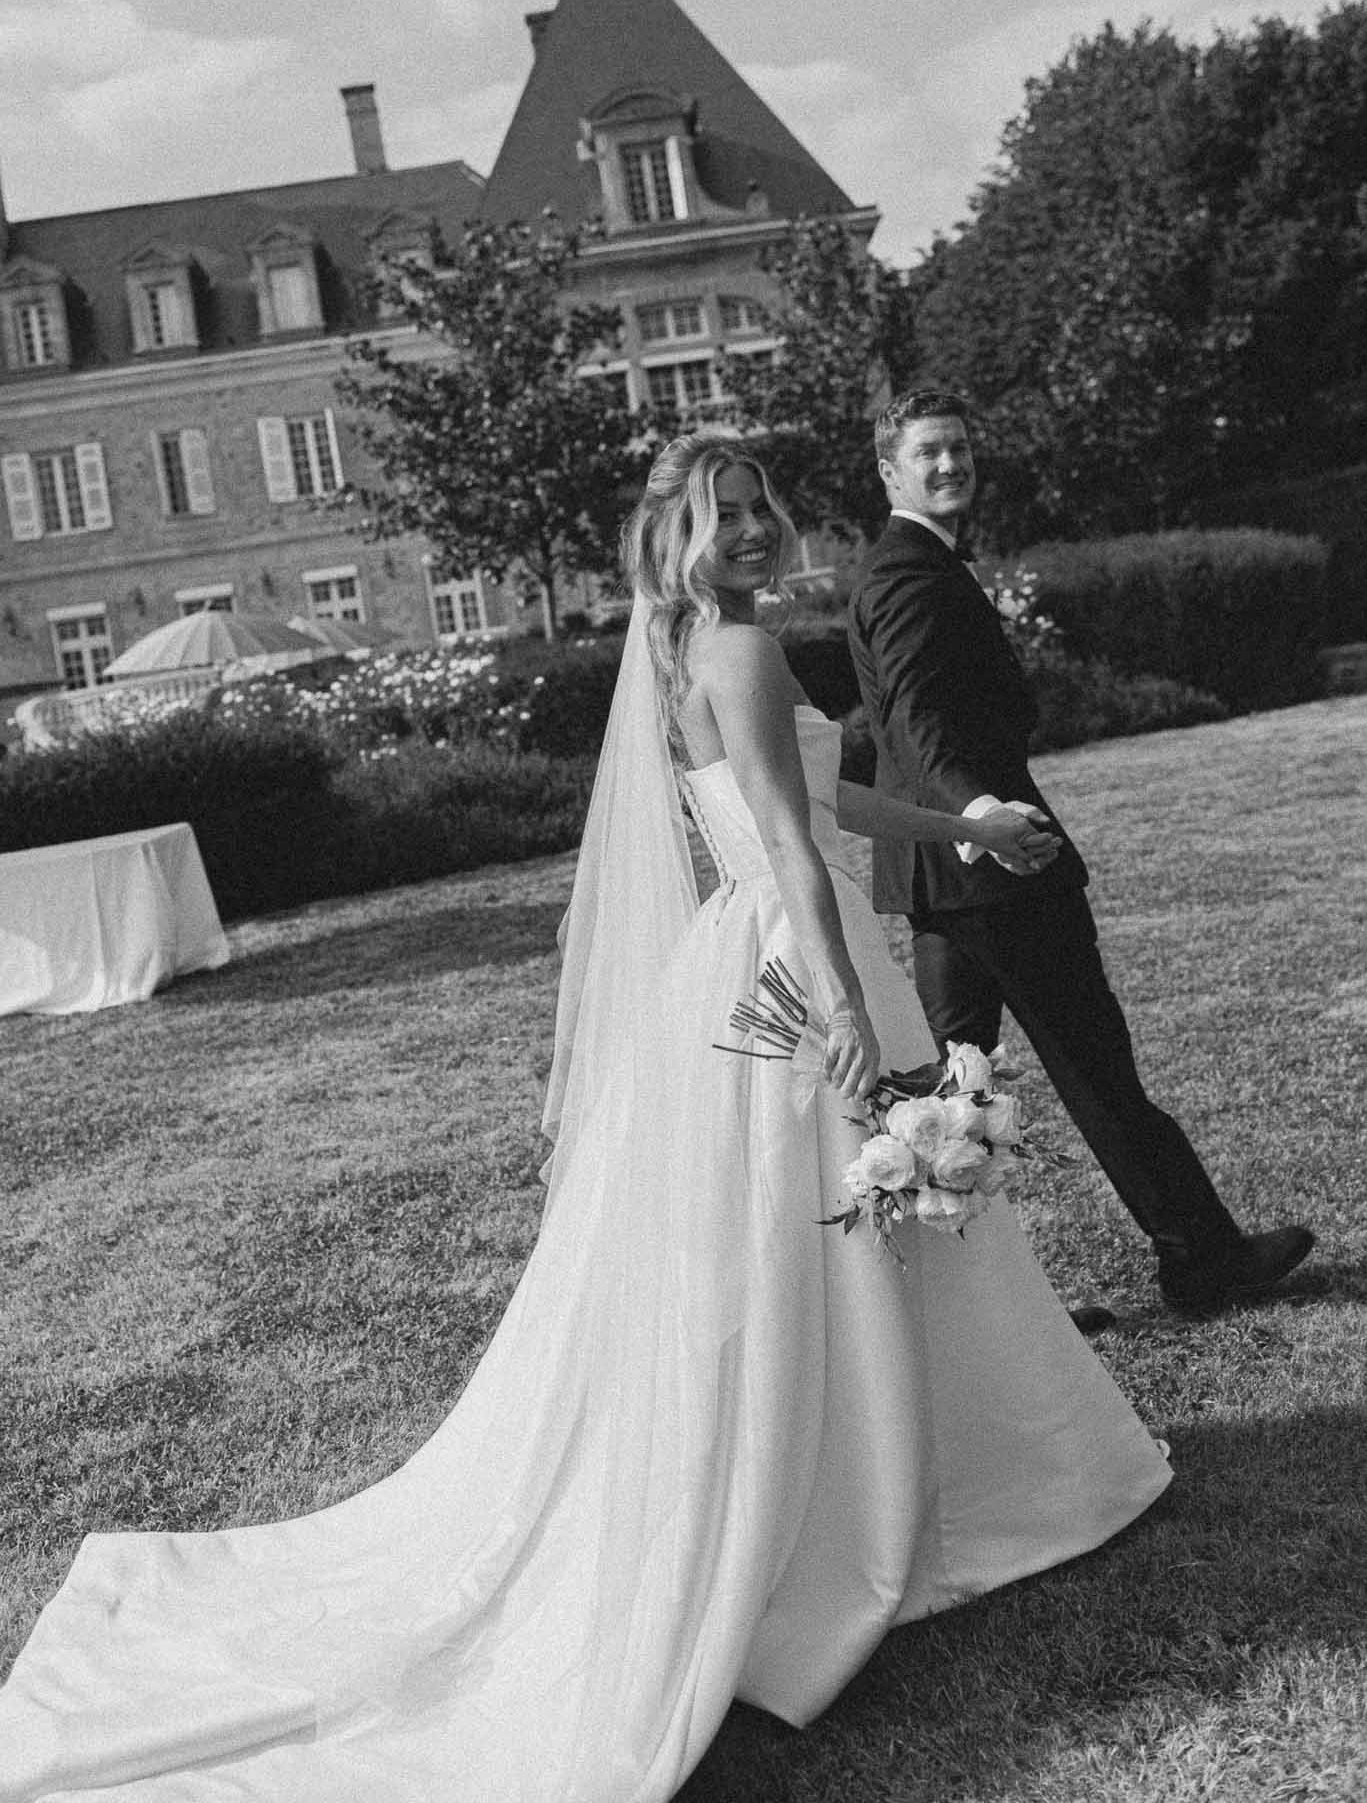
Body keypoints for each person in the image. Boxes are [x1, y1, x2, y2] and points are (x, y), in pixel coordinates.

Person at [0, 434, 1172, 1803]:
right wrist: (846, 1003)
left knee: (831, 1235)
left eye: (757, 507)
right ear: (675, 535)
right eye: (719, 515)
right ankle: (896, 1501)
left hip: (747, 959)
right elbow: (787, 844)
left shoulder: (700, 647)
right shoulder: (732, 650)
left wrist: (951, 829)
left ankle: (893, 1479)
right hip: (791, 959)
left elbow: (803, 794)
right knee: (844, 1228)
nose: (748, 530)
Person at [846, 388, 1315, 1319]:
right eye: (929, 452)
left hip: (952, 882)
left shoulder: (920, 564)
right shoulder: (907, 573)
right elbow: (916, 718)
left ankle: (971, 1317)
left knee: (947, 1103)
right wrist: (981, 814)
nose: (950, 465)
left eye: (960, 448)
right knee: (1089, 1075)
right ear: (889, 470)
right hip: (996, 870)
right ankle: (1200, 1261)